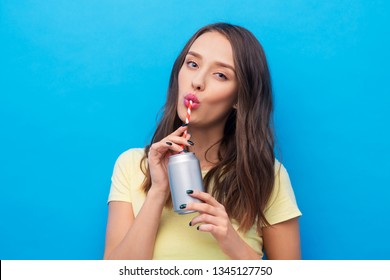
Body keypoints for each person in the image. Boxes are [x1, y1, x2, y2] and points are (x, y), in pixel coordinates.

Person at [103, 22, 302, 260]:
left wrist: (231, 241)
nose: (197, 81)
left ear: (240, 98)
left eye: (220, 74)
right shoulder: (132, 165)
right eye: (193, 64)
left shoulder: (268, 176)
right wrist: (158, 191)